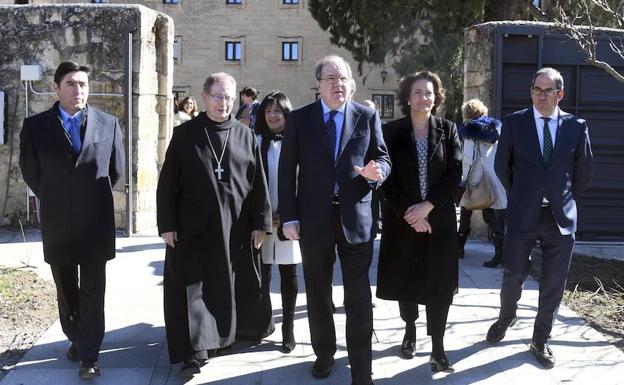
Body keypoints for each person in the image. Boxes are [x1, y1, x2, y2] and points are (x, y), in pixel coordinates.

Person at [278, 54, 391, 385]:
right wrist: (289, 217)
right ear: (318, 84)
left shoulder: (366, 116)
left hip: (356, 218)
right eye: (330, 78)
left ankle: (361, 367)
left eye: (342, 78)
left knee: (358, 298)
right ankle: (324, 352)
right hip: (314, 220)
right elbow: (287, 172)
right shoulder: (300, 119)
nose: (338, 84)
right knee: (317, 291)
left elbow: (382, 157)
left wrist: (377, 172)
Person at [156, 72, 272, 376]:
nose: (224, 103)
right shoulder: (185, 135)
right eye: (218, 96)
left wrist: (260, 223)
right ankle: (194, 350)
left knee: (225, 285)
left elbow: (259, 184)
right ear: (205, 97)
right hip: (192, 226)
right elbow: (167, 183)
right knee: (194, 288)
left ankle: (222, 338)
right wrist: (167, 224)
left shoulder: (246, 135)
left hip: (234, 228)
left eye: (229, 97)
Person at [19, 61, 125, 379]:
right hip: (58, 223)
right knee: (66, 289)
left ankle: (89, 354)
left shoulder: (108, 124)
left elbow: (115, 170)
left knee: (94, 289)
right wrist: (57, 197)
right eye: (70, 83)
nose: (78, 90)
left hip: (95, 222)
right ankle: (76, 337)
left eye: (82, 84)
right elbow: (30, 171)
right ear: (56, 88)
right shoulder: (35, 126)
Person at [486, 67, 592, 369]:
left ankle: (540, 339)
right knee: (513, 275)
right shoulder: (515, 123)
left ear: (560, 94)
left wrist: (561, 198)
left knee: (554, 284)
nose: (541, 95)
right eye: (536, 89)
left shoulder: (576, 126)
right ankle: (506, 317)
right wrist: (522, 195)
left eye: (548, 91)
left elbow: (583, 173)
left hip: (560, 218)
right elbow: (501, 167)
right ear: (531, 90)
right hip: (523, 215)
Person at [376, 71, 462, 373]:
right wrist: (409, 214)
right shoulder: (392, 132)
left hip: (439, 222)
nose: (423, 98)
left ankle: (438, 348)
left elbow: (454, 174)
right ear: (407, 97)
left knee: (439, 286)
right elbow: (386, 180)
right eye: (417, 92)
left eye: (429, 92)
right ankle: (410, 330)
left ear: (436, 97)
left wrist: (427, 207)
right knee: (406, 280)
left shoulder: (449, 130)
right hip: (403, 222)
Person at [253, 91, 302, 353]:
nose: (272, 115)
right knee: (263, 275)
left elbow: (303, 182)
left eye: (278, 111)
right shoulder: (256, 141)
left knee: (288, 273)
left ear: (286, 114)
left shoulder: (297, 142)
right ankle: (264, 323)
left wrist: (288, 215)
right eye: (268, 111)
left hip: (288, 218)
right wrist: (261, 218)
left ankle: (289, 330)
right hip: (262, 220)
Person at [457, 99, 507, 267]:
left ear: (467, 114)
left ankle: (459, 249)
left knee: (466, 210)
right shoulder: (496, 128)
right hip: (495, 177)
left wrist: (463, 180)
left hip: (476, 178)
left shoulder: (470, 130)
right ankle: (500, 254)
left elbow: (467, 159)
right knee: (492, 215)